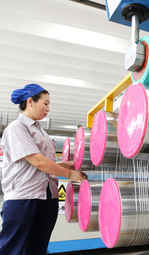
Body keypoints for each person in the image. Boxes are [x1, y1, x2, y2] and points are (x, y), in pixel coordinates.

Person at [0, 83, 87, 255]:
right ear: (30, 101)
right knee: (12, 248)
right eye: (45, 103)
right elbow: (37, 161)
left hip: (47, 197)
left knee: (37, 248)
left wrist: (66, 165)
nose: (48, 108)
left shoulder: (41, 132)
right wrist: (70, 174)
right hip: (24, 198)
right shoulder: (17, 128)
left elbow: (43, 165)